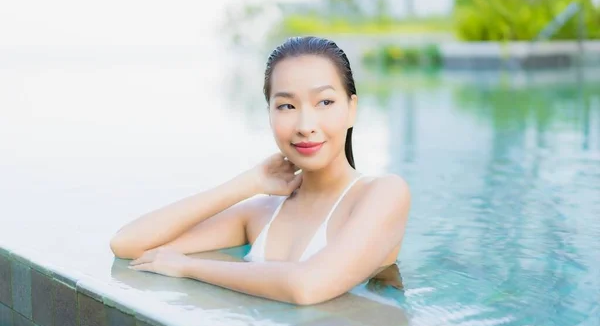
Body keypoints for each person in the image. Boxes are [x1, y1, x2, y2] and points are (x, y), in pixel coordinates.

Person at [110, 36, 411, 306]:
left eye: (325, 102)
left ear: (351, 109)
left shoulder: (383, 194)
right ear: (269, 113)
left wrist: (189, 267)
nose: (306, 126)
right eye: (286, 106)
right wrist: (248, 183)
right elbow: (127, 244)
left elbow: (306, 286)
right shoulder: (261, 214)